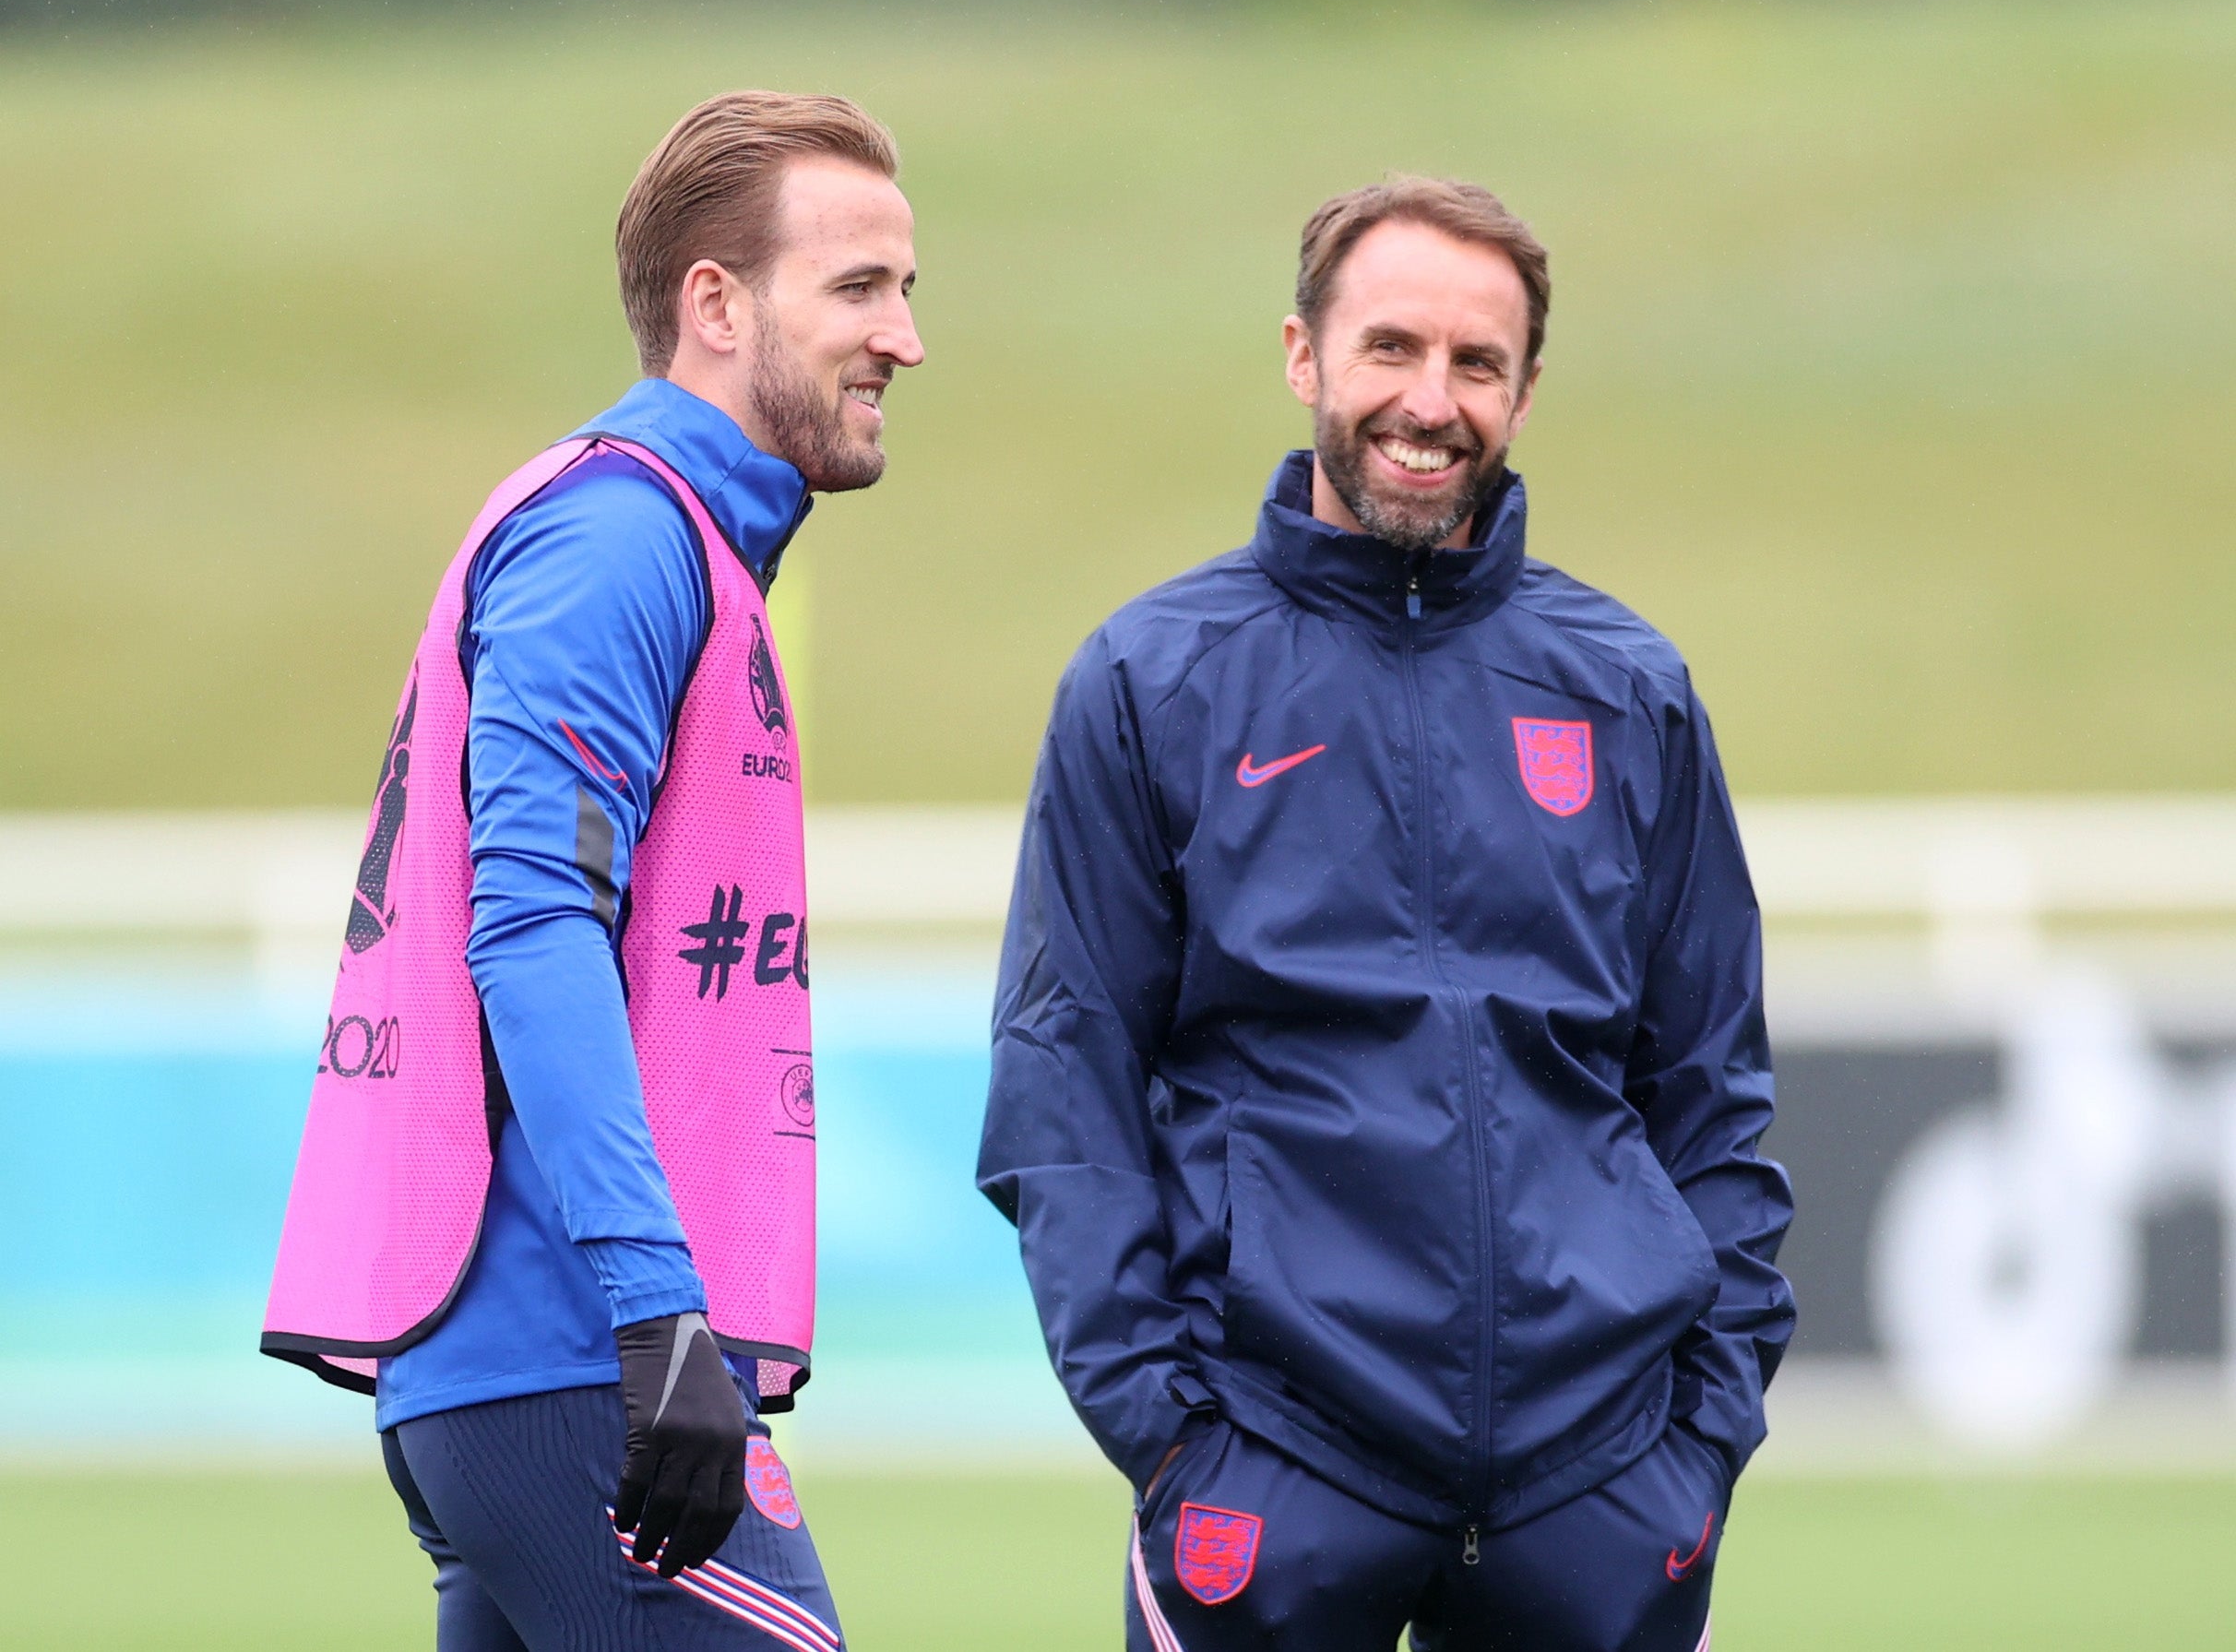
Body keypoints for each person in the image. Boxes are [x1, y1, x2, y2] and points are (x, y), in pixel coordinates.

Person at [979, 176, 1792, 1652]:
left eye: (1477, 363)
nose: (1431, 401)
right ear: (1304, 356)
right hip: (1271, 1464)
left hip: (1602, 1479)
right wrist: (1167, 1430)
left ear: (1526, 391)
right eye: (1391, 348)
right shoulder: (1153, 677)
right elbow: (1062, 1085)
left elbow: (1713, 1092)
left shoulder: (1630, 688)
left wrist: (1703, 1437)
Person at [264, 90, 922, 1651]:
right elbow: (535, 922)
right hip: (568, 1349)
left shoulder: (674, 534)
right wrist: (655, 1308)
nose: (904, 336)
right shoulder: (623, 537)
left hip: (532, 1364)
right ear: (714, 304)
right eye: (859, 287)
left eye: (907, 289)